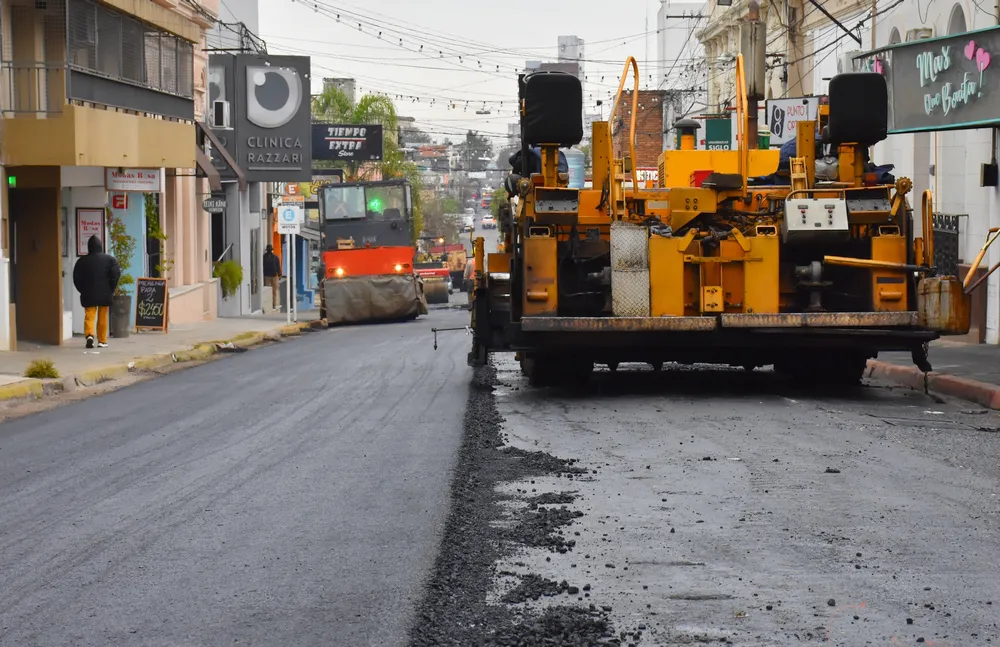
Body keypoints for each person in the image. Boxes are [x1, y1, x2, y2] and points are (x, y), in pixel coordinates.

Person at [72, 235, 121, 349]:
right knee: (103, 316)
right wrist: (111, 288)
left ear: (89, 247)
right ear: (101, 246)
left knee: (89, 315)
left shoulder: (81, 261)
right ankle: (102, 341)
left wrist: (83, 290)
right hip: (105, 293)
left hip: (88, 293)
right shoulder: (110, 260)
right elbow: (115, 274)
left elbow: (76, 278)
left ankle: (89, 335)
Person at [263, 244, 282, 310]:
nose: (270, 251)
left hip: (274, 276)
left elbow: (278, 266)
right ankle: (267, 305)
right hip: (267, 276)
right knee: (267, 291)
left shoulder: (275, 257)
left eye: (270, 250)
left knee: (274, 291)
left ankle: (274, 304)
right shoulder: (264, 257)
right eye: (269, 250)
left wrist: (279, 274)